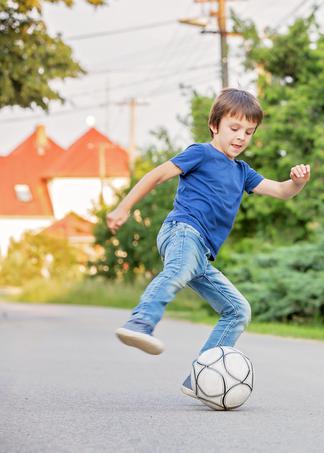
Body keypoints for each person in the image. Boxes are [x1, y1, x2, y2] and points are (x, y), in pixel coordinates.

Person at [107, 88, 311, 398]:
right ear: (215, 125)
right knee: (180, 267)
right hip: (182, 231)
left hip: (202, 253)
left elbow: (282, 191)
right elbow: (157, 176)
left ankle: (198, 377)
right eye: (234, 128)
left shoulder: (243, 172)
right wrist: (124, 207)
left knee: (238, 310)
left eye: (249, 132)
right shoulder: (201, 153)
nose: (241, 137)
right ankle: (141, 322)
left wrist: (297, 183)